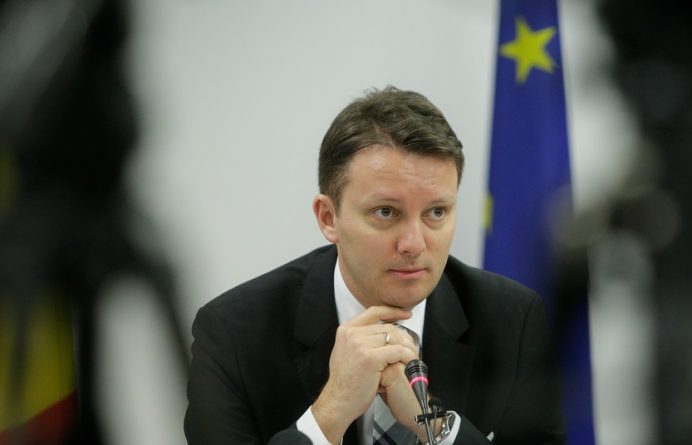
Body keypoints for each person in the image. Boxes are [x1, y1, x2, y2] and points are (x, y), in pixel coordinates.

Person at [184, 86, 565, 445]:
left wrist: (433, 426)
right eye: (386, 212)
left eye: (436, 212)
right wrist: (329, 414)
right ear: (328, 217)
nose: (414, 244)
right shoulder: (233, 336)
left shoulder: (513, 321)